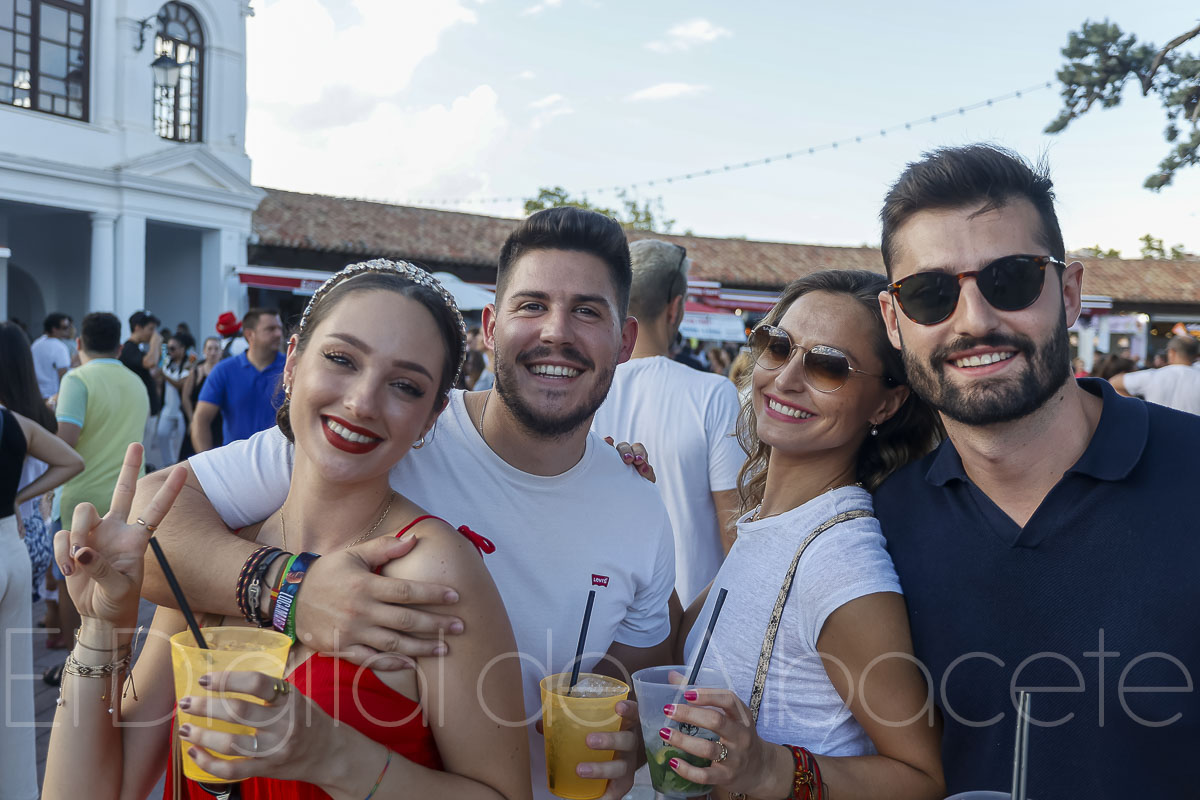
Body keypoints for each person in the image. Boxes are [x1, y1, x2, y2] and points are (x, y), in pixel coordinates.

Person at [134, 208, 678, 800]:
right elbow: (149, 515)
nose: (555, 332)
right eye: (531, 305)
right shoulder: (391, 427)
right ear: (490, 327)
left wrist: (628, 737)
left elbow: (637, 667)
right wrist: (292, 589)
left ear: (626, 341)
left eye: (587, 311)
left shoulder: (639, 507)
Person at [44, 262, 531, 800]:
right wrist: (100, 628)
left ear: (431, 416)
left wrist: (335, 756)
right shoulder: (219, 557)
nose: (362, 402)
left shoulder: (430, 569)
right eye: (341, 359)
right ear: (293, 363)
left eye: (404, 385)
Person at [872, 143, 1200, 796]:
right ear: (894, 320)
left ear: (1069, 293)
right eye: (931, 294)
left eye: (1012, 279)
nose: (975, 321)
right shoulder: (879, 528)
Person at [656, 270, 945, 800]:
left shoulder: (839, 560)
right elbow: (681, 651)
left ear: (886, 403)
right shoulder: (773, 524)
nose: (785, 379)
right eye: (777, 345)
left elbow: (923, 779)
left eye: (828, 366)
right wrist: (635, 517)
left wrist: (771, 768)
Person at [591, 239, 743, 604]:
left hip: (603, 610)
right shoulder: (713, 394)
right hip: (695, 616)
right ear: (675, 308)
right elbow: (735, 534)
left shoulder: (585, 392)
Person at [44, 311, 151, 685]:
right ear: (120, 346)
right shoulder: (137, 381)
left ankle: (77, 667)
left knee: (74, 585)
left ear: (78, 344)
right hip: (127, 499)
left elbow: (66, 441)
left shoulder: (76, 379)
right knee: (119, 586)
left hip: (80, 499)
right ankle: (115, 665)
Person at [0, 383, 83, 800]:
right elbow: (71, 460)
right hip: (9, 548)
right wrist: (18, 498)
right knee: (11, 693)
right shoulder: (12, 421)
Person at [191, 308, 285, 451]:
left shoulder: (292, 368)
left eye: (279, 328)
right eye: (270, 329)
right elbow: (200, 420)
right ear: (249, 334)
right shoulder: (224, 371)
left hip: (282, 460)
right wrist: (207, 462)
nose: (278, 334)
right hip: (236, 460)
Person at [1110, 334, 1200, 414]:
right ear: (1196, 355)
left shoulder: (1153, 376)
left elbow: (1114, 382)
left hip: (1156, 426)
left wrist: (1139, 407)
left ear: (1171, 352)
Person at [120, 310, 164, 464]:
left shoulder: (138, 349)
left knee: (146, 448)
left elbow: (153, 369)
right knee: (141, 450)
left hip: (147, 407)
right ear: (137, 327)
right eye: (151, 329)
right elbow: (149, 362)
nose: (153, 334)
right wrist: (155, 342)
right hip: (139, 408)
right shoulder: (129, 348)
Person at [179, 335, 224, 460]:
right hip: (199, 418)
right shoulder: (196, 372)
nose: (213, 352)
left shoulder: (225, 373)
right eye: (209, 349)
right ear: (204, 351)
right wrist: (192, 418)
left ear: (221, 352)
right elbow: (186, 396)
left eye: (216, 349)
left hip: (219, 422)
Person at [152, 332, 193, 467]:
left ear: (182, 349)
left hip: (181, 410)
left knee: (181, 442)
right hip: (168, 408)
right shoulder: (167, 363)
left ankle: (178, 464)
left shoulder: (189, 364)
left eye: (173, 348)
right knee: (162, 434)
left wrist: (164, 375)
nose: (170, 352)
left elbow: (180, 384)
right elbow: (156, 377)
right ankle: (169, 463)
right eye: (168, 348)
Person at [31, 312, 74, 401]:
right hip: (53, 397)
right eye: (65, 327)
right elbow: (63, 375)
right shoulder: (60, 347)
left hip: (35, 394)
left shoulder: (35, 344)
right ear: (54, 329)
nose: (68, 330)